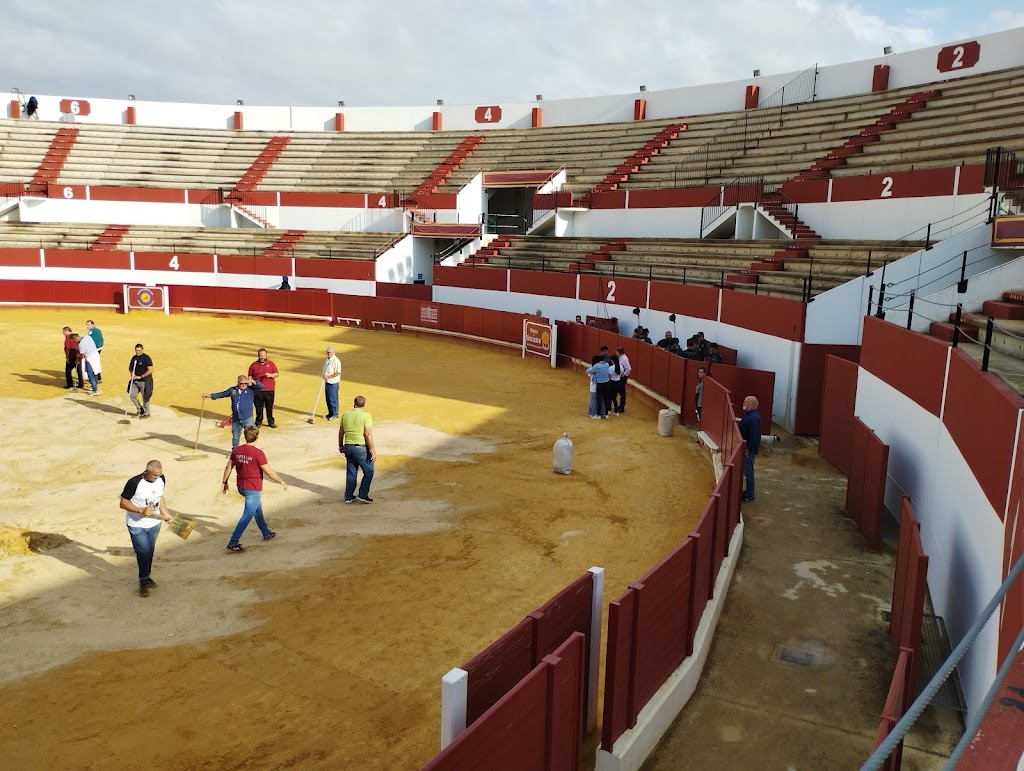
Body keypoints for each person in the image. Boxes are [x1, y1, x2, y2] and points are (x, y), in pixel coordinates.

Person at [221, 425, 288, 552]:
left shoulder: (237, 450)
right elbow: (269, 472)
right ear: (257, 437)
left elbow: (228, 467)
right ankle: (233, 542)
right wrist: (281, 481)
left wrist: (224, 482)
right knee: (247, 515)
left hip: (241, 486)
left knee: (257, 510)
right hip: (253, 489)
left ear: (245, 436)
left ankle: (266, 532)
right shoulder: (258, 453)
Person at [120, 460, 172, 598]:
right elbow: (123, 503)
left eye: (159, 475)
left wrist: (165, 513)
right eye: (154, 475)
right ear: (146, 472)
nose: (157, 477)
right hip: (136, 524)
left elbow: (159, 497)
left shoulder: (161, 479)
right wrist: (140, 510)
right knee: (143, 552)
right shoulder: (134, 483)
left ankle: (146, 576)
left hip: (154, 523)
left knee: (149, 551)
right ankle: (143, 580)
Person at [204, 375, 264, 448]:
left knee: (251, 436)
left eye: (245, 383)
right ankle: (235, 452)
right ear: (238, 383)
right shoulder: (232, 390)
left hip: (247, 418)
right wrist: (210, 395)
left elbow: (261, 386)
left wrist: (253, 381)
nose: (244, 385)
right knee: (235, 437)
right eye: (242, 383)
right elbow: (222, 394)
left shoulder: (251, 390)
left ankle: (250, 450)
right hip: (236, 418)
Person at [339, 395, 376, 503]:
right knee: (369, 471)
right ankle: (363, 494)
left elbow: (341, 432)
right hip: (360, 448)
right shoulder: (366, 416)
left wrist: (340, 445)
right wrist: (372, 449)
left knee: (351, 473)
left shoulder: (346, 414)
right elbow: (367, 434)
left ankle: (348, 496)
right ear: (364, 405)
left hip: (348, 447)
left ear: (353, 403)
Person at [736, 396, 763, 502]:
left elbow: (754, 436)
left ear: (753, 404)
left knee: (748, 471)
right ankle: (748, 492)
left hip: (748, 449)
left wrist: (748, 449)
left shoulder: (754, 418)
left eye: (746, 402)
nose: (744, 403)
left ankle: (750, 494)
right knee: (748, 470)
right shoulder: (752, 416)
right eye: (744, 401)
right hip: (748, 448)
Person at [248, 348, 279, 428]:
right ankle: (258, 422)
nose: (262, 357)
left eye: (264, 355)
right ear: (258, 355)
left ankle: (271, 422)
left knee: (269, 407)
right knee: (258, 407)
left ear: (266, 355)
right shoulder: (253, 365)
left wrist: (270, 375)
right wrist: (251, 381)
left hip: (269, 389)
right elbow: (250, 376)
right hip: (257, 390)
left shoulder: (271, 364)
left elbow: (276, 374)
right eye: (261, 355)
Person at [128, 343, 154, 418]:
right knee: (132, 394)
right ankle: (140, 410)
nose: (138, 352)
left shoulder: (146, 358)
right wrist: (132, 374)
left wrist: (141, 376)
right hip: (135, 380)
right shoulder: (134, 358)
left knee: (145, 397)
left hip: (144, 381)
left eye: (139, 350)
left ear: (142, 350)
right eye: (136, 350)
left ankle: (146, 413)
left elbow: (150, 370)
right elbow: (130, 367)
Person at [585, 354, 610, 419]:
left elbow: (588, 372)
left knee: (594, 400)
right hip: (606, 384)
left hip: (597, 385)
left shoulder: (596, 367)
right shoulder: (607, 365)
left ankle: (595, 414)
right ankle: (604, 413)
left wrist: (589, 368)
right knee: (604, 399)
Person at [323, 346, 342, 421]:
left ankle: (335, 414)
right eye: (328, 352)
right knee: (328, 398)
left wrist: (329, 376)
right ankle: (330, 413)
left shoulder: (336, 361)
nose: (329, 353)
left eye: (330, 352)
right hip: (327, 382)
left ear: (334, 352)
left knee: (333, 399)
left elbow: (338, 372)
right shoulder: (327, 360)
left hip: (333, 383)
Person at [615, 346, 631, 414]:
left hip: (622, 378)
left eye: (616, 351)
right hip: (621, 377)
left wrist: (624, 374)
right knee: (620, 392)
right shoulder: (622, 358)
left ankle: (621, 407)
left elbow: (629, 368)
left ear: (618, 352)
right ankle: (620, 407)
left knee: (622, 392)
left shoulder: (624, 359)